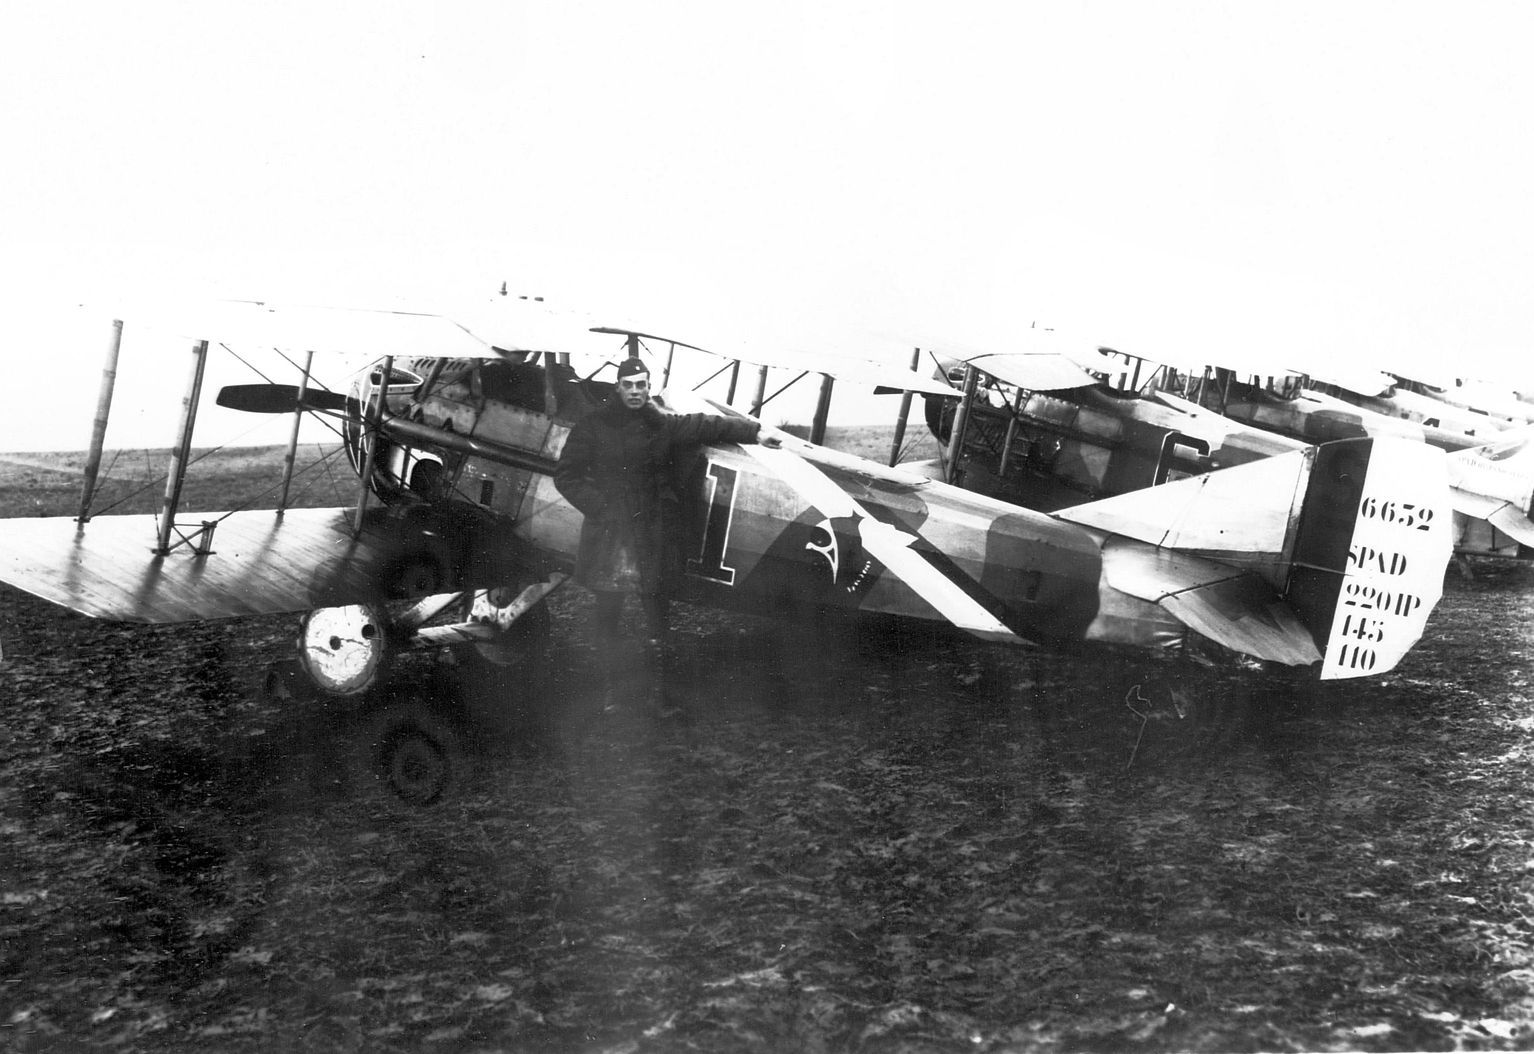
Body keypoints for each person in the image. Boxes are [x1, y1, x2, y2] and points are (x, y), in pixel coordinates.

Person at [554, 357, 778, 651]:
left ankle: (658, 667)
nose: (635, 391)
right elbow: (566, 476)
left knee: (656, 603)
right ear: (618, 388)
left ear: (648, 388)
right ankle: (609, 681)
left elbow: (706, 424)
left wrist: (756, 432)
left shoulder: (662, 425)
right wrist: (601, 509)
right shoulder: (593, 426)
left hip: (649, 527)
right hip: (612, 528)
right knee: (608, 608)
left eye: (641, 385)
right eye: (628, 385)